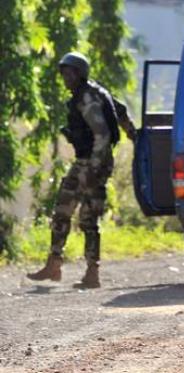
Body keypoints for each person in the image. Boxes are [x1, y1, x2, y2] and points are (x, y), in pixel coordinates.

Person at [27, 52, 136, 289]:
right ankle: (81, 270)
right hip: (96, 162)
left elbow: (102, 135)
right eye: (64, 73)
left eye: (70, 73)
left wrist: (93, 168)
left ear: (80, 74)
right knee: (83, 216)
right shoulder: (97, 91)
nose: (66, 78)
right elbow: (121, 110)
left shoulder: (86, 98)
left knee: (68, 211)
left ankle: (63, 265)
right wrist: (132, 132)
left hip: (91, 162)